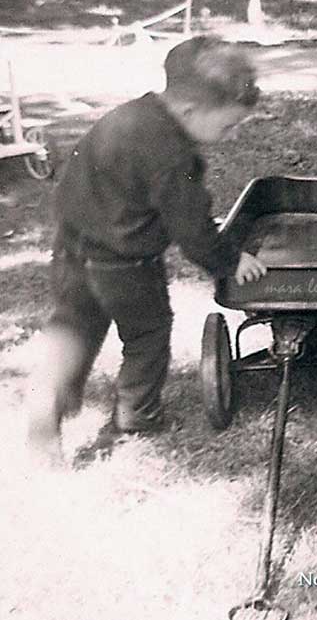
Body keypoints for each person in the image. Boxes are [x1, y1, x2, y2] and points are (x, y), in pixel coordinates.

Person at [25, 35, 268, 465]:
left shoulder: (127, 116)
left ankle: (48, 404)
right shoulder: (174, 157)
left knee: (75, 330)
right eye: (227, 126)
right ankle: (137, 415)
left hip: (73, 248)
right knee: (149, 332)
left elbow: (75, 178)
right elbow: (192, 228)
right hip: (126, 263)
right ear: (190, 111)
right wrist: (230, 260)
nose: (229, 136)